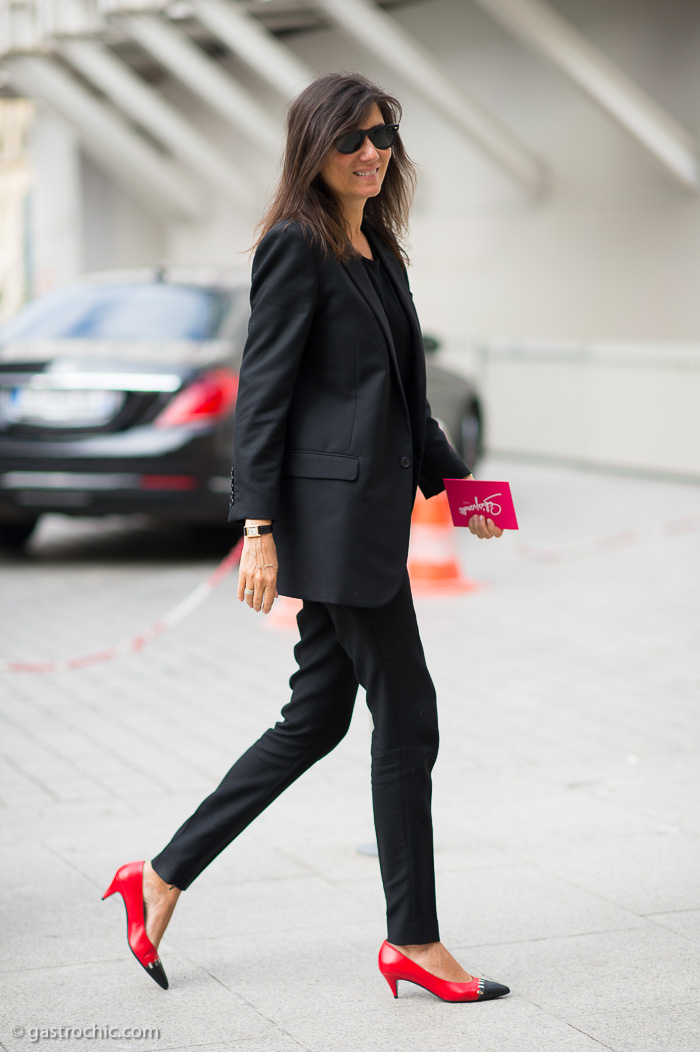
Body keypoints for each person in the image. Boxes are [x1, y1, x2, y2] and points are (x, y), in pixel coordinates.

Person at [103, 72, 508, 1003]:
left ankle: (159, 876)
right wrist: (257, 528)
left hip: (365, 521)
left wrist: (471, 494)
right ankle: (414, 940)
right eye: (351, 139)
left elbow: (402, 398)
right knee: (408, 718)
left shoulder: (382, 250)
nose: (372, 153)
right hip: (328, 530)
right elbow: (265, 396)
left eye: (383, 137)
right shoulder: (295, 247)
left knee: (317, 717)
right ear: (312, 148)